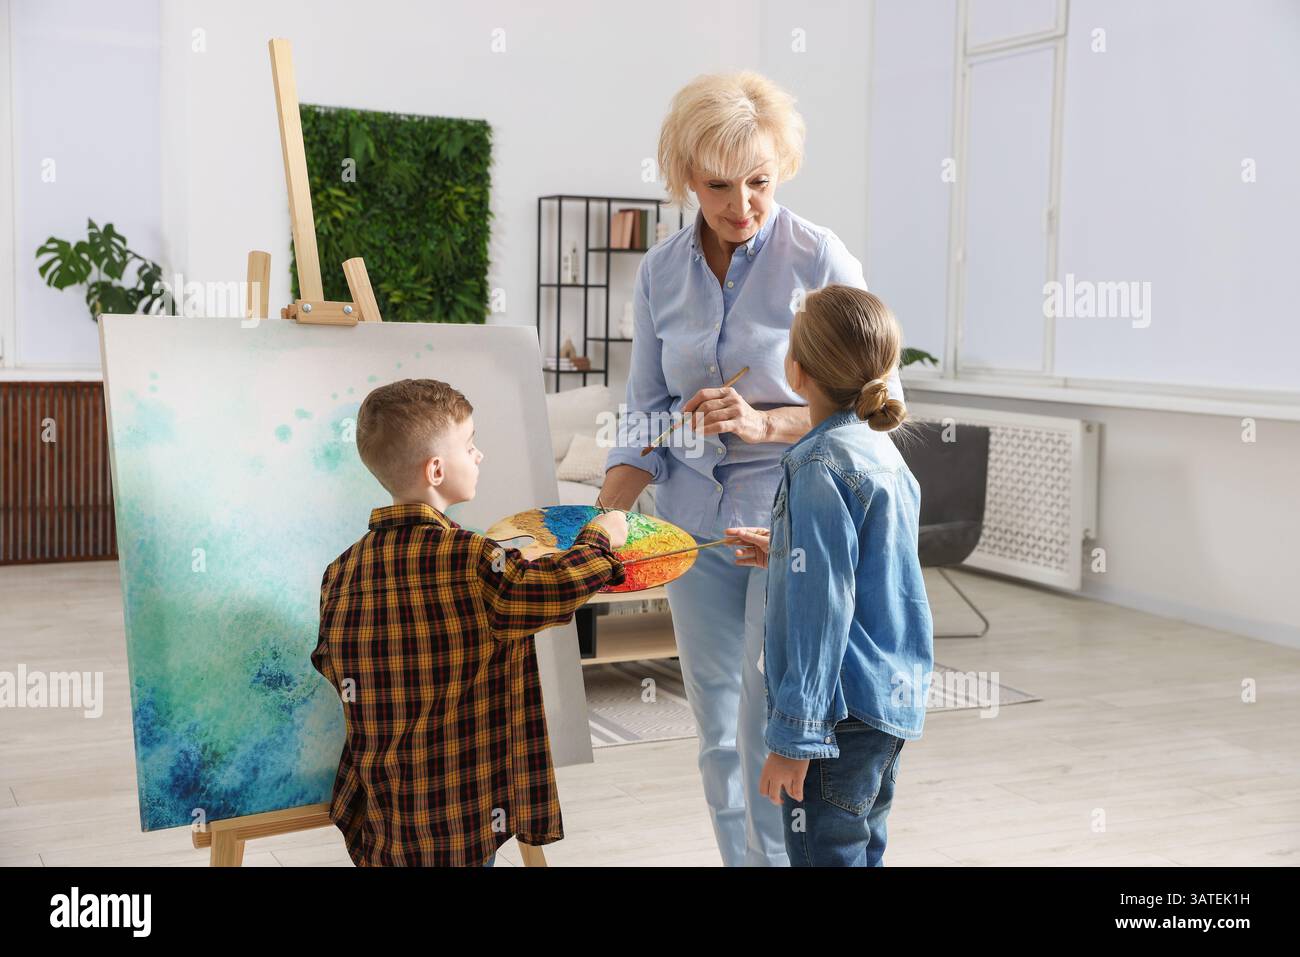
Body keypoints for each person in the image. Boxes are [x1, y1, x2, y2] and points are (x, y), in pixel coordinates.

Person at [597, 71, 903, 866]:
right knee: (714, 733)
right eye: (718, 185)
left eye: (759, 182)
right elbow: (642, 412)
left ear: (782, 168)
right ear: (684, 177)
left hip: (787, 522)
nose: (741, 205)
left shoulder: (819, 257)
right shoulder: (663, 274)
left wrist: (765, 420)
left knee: (767, 723)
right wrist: (605, 516)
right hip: (693, 527)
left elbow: (876, 400)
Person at [311, 378, 628, 866]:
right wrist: (599, 539)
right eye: (471, 444)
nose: (479, 455)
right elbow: (547, 590)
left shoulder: (342, 570)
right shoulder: (473, 561)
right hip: (460, 807)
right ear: (436, 469)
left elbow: (330, 663)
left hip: (384, 808)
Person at [728, 286, 934, 866]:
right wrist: (787, 548)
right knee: (861, 850)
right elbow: (872, 564)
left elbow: (824, 615)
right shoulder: (879, 448)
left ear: (796, 371)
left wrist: (796, 738)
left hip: (835, 718)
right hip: (885, 703)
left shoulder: (817, 465)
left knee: (825, 856)